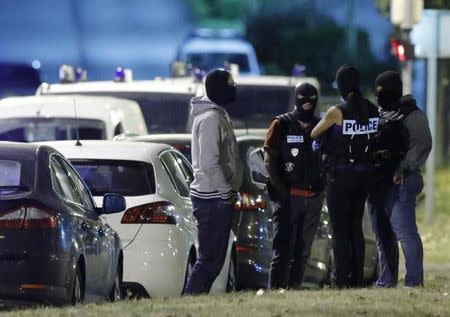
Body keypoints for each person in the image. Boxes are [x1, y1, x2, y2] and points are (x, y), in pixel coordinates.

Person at [310, 64, 379, 288]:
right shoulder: (371, 109)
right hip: (364, 177)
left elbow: (314, 133)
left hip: (340, 178)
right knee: (356, 228)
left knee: (340, 231)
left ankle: (341, 280)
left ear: (341, 85)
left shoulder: (336, 111)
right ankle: (358, 278)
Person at [368, 71, 432, 288]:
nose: (380, 97)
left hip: (403, 180)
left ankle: (414, 281)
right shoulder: (378, 114)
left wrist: (403, 168)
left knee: (405, 232)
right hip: (378, 180)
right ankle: (386, 280)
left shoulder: (413, 115)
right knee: (382, 234)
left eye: (384, 92)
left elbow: (422, 145)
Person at [183, 68, 242, 295]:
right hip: (212, 199)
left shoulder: (218, 114)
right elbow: (209, 162)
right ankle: (191, 300)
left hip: (216, 197)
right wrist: (226, 191)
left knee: (215, 261)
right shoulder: (210, 119)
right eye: (231, 83)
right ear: (220, 88)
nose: (235, 87)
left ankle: (196, 300)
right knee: (209, 260)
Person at [264, 83, 325, 290]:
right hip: (289, 198)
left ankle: (293, 290)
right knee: (283, 249)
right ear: (297, 100)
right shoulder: (281, 124)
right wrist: (281, 190)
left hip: (313, 198)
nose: (308, 104)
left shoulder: (321, 126)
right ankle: (276, 290)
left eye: (312, 100)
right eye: (304, 100)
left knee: (303, 250)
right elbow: (268, 159)